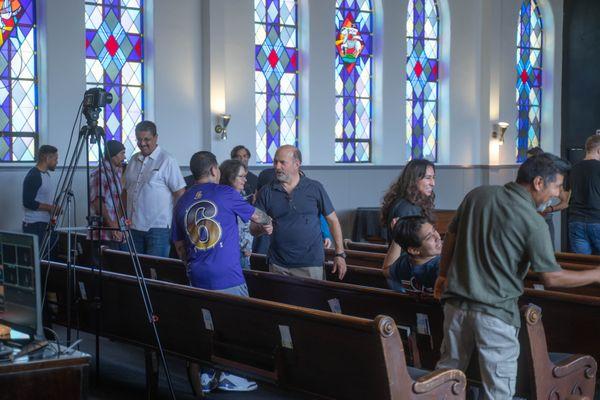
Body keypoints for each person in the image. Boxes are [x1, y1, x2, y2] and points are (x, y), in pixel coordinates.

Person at [433, 153, 600, 400]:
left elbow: (452, 236)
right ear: (539, 182)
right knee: (498, 392)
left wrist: (443, 274)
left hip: (456, 307)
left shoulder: (478, 195)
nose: (557, 194)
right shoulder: (534, 222)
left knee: (447, 382)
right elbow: (552, 278)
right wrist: (595, 274)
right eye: (556, 186)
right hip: (495, 315)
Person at [172, 151, 272, 393]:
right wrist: (268, 220)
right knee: (237, 325)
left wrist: (192, 264)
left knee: (207, 326)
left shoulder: (182, 201)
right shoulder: (226, 193)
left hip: (197, 275)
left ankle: (206, 375)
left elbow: (179, 246)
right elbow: (258, 216)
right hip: (226, 274)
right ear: (215, 170)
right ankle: (231, 375)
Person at [252, 145, 347, 280]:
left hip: (310, 264)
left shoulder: (315, 188)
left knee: (312, 301)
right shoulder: (266, 191)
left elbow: (333, 221)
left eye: (282, 162)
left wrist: (340, 254)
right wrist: (261, 228)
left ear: (297, 164)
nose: (277, 167)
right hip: (278, 265)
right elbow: (253, 229)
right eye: (275, 162)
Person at [123, 121, 186, 257]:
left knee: (154, 272)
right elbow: (125, 191)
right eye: (139, 140)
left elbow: (180, 193)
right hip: (133, 228)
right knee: (133, 272)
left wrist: (175, 222)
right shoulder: (133, 160)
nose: (142, 143)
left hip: (158, 229)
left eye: (147, 139)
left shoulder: (167, 160)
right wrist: (121, 217)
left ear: (156, 138)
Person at [88, 140, 126, 262]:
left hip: (116, 230)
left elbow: (118, 200)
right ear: (113, 155)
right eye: (122, 153)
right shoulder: (100, 173)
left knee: (118, 269)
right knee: (106, 270)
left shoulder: (117, 172)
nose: (124, 157)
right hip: (105, 232)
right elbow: (98, 202)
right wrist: (113, 226)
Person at [380, 159, 436, 243]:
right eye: (427, 178)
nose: (433, 183)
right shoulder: (408, 208)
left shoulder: (409, 202)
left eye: (433, 177)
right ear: (414, 179)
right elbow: (409, 246)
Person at [526, 147, 570, 247]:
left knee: (549, 251)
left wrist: (549, 209)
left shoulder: (552, 179)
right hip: (527, 219)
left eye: (531, 160)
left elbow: (565, 203)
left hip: (545, 220)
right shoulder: (525, 178)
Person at [382, 216, 440, 293]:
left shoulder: (403, 263)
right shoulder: (442, 265)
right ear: (414, 250)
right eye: (429, 237)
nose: (437, 237)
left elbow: (386, 270)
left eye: (434, 230)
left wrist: (397, 238)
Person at [568, 135, 600, 254]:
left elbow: (567, 196)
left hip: (576, 222)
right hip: (597, 220)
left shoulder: (573, 169)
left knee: (582, 264)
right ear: (599, 150)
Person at [219, 159, 253, 269]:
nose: (245, 180)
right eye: (241, 176)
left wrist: (248, 245)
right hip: (232, 253)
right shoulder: (225, 197)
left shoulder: (241, 194)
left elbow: (246, 224)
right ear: (230, 177)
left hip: (243, 252)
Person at [22, 145, 59, 245]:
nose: (57, 162)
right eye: (55, 159)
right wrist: (50, 208)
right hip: (35, 225)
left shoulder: (46, 174)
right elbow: (28, 202)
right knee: (39, 259)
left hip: (45, 223)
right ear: (47, 158)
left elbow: (44, 198)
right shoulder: (34, 176)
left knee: (49, 258)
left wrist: (54, 207)